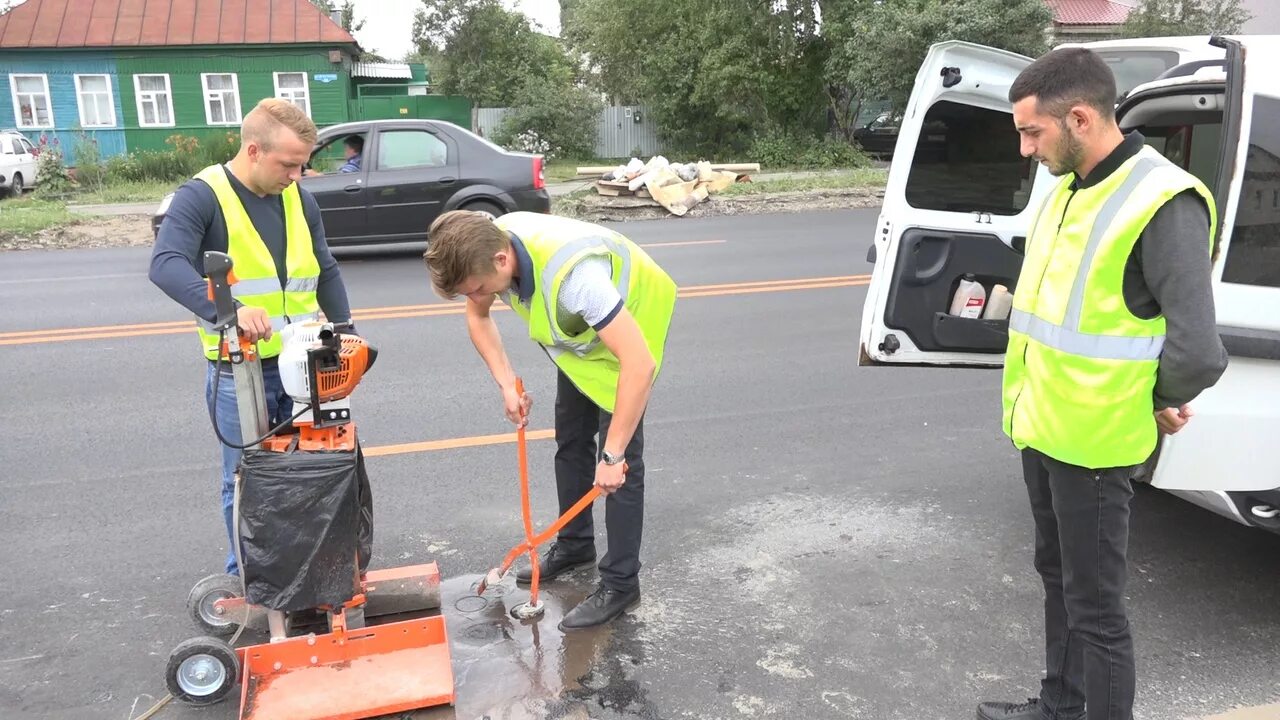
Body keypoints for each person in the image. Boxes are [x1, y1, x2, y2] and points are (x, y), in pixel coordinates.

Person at [977, 48, 1228, 720]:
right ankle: (1060, 707)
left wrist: (1152, 398)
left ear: (1080, 118)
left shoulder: (1161, 200)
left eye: (1033, 133)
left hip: (1095, 443)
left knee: (1097, 610)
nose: (1028, 149)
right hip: (1042, 425)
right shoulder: (1069, 190)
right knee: (1058, 579)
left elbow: (1199, 352)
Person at [423, 210, 677, 630]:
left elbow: (638, 364)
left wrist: (612, 456)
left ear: (502, 261)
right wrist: (507, 383)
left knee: (619, 467)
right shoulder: (483, 247)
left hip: (630, 327)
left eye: (481, 288)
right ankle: (576, 544)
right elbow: (478, 314)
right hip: (580, 337)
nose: (479, 295)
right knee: (571, 439)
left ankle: (620, 584)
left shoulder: (578, 281)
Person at [149, 98, 354, 576]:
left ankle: (303, 572)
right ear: (254, 150)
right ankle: (252, 576)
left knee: (309, 470)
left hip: (306, 362)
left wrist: (345, 333)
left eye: (303, 164)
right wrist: (232, 311)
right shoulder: (203, 195)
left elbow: (324, 267)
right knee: (246, 478)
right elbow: (165, 264)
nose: (297, 175)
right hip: (243, 369)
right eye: (289, 164)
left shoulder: (298, 197)